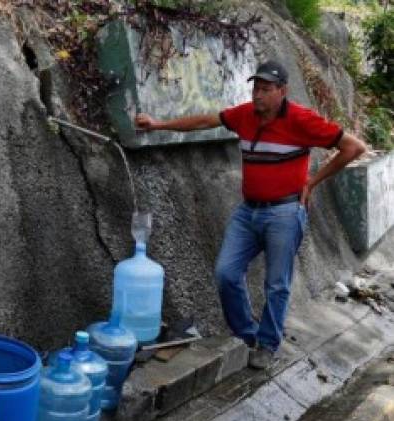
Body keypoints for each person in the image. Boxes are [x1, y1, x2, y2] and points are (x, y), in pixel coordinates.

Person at [135, 60, 366, 369]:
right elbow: (206, 121)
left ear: (282, 91)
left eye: (265, 89)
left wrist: (313, 181)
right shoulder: (244, 115)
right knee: (226, 273)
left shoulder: (302, 120)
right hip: (249, 211)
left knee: (276, 284)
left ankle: (267, 345)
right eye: (256, 88)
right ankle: (246, 335)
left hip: (284, 212)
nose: (258, 95)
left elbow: (354, 147)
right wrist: (159, 125)